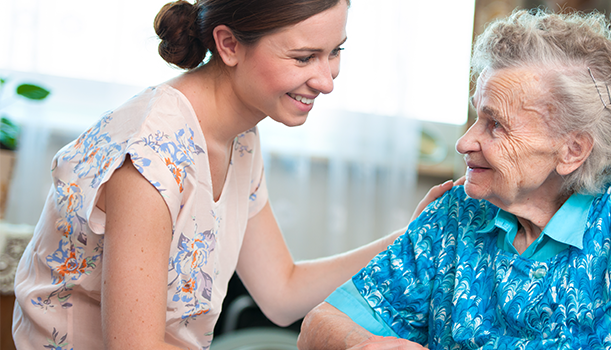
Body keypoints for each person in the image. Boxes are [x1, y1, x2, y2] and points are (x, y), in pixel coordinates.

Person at [11, 0, 455, 349]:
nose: (327, 80)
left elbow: (282, 292)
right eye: (304, 58)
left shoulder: (239, 137)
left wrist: (413, 235)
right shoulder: (150, 158)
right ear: (228, 45)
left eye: (335, 51)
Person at [297, 8, 611, 350]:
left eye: (496, 125)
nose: (465, 143)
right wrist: (370, 344)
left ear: (572, 150)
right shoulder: (456, 214)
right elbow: (320, 326)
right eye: (476, 117)